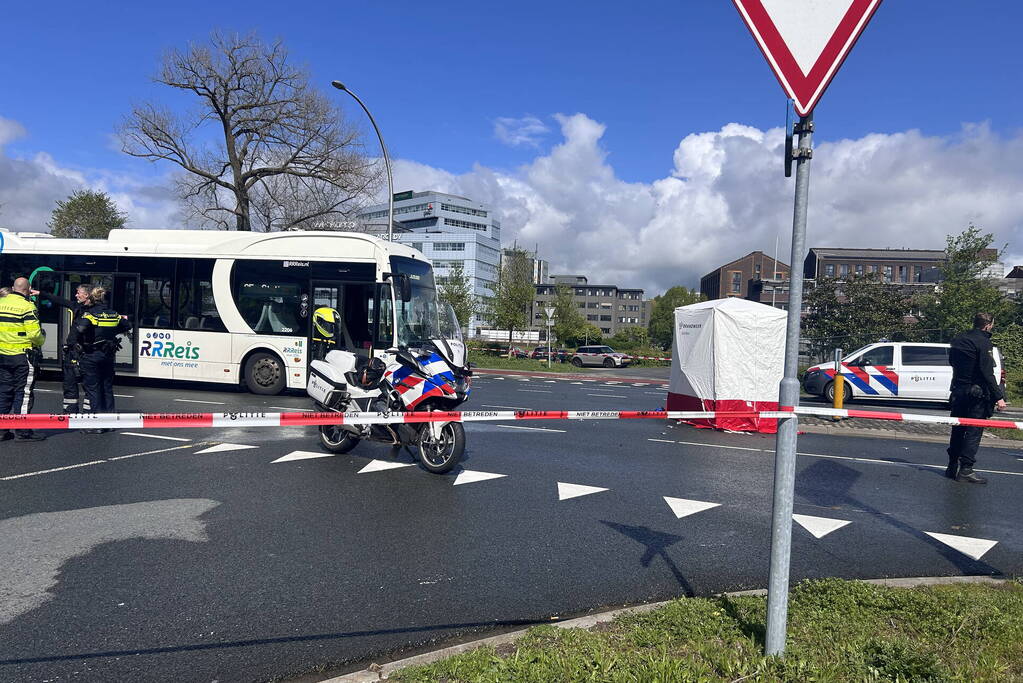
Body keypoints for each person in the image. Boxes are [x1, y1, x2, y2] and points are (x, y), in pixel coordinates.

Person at [946, 312, 1006, 484]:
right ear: (987, 325)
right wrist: (999, 397)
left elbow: (952, 361)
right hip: (976, 394)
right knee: (973, 431)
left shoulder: (958, 339)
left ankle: (951, 466)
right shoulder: (984, 342)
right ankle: (966, 470)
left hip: (958, 390)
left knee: (958, 429)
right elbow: (987, 373)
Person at [67, 286, 132, 434]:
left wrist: (75, 344)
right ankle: (110, 422)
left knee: (93, 389)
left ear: (91, 298)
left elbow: (78, 331)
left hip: (91, 355)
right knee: (107, 388)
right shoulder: (114, 314)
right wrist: (111, 333)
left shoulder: (90, 314)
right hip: (108, 356)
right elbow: (127, 325)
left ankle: (97, 424)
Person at [33, 283, 94, 413]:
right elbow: (60, 300)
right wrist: (41, 294)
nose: (76, 295)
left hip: (86, 353)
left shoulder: (95, 311)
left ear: (87, 295)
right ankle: (70, 412)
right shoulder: (77, 306)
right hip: (73, 352)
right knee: (69, 383)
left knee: (89, 385)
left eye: (79, 293)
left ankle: (89, 415)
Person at [0, 277, 46, 442]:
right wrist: (42, 340)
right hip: (22, 357)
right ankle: (23, 430)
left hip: (3, 355)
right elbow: (34, 334)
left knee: (4, 392)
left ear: (13, 288)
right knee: (24, 393)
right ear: (27, 290)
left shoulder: (1, 303)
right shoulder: (27, 307)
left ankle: (2, 430)